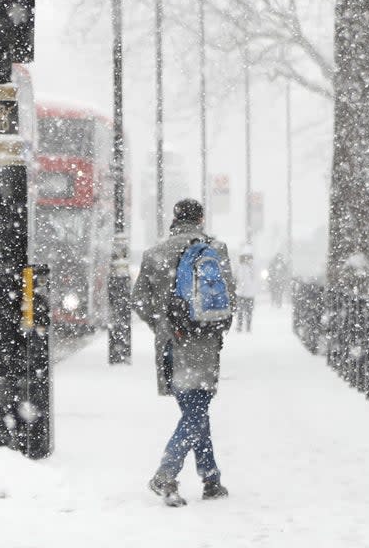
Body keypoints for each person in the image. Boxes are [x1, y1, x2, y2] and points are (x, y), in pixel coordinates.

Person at [133, 198, 235, 507]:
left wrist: (162, 323)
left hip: (171, 344)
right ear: (201, 218)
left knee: (193, 408)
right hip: (205, 343)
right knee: (197, 409)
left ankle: (210, 477)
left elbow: (138, 299)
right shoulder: (216, 250)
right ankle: (169, 473)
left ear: (174, 220)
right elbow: (228, 295)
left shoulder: (154, 255)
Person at [234, 244, 256, 332]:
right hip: (242, 293)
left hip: (249, 293)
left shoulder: (252, 267)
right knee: (241, 311)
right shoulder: (240, 267)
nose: (248, 259)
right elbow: (239, 279)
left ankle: (247, 327)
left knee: (248, 311)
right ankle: (240, 326)